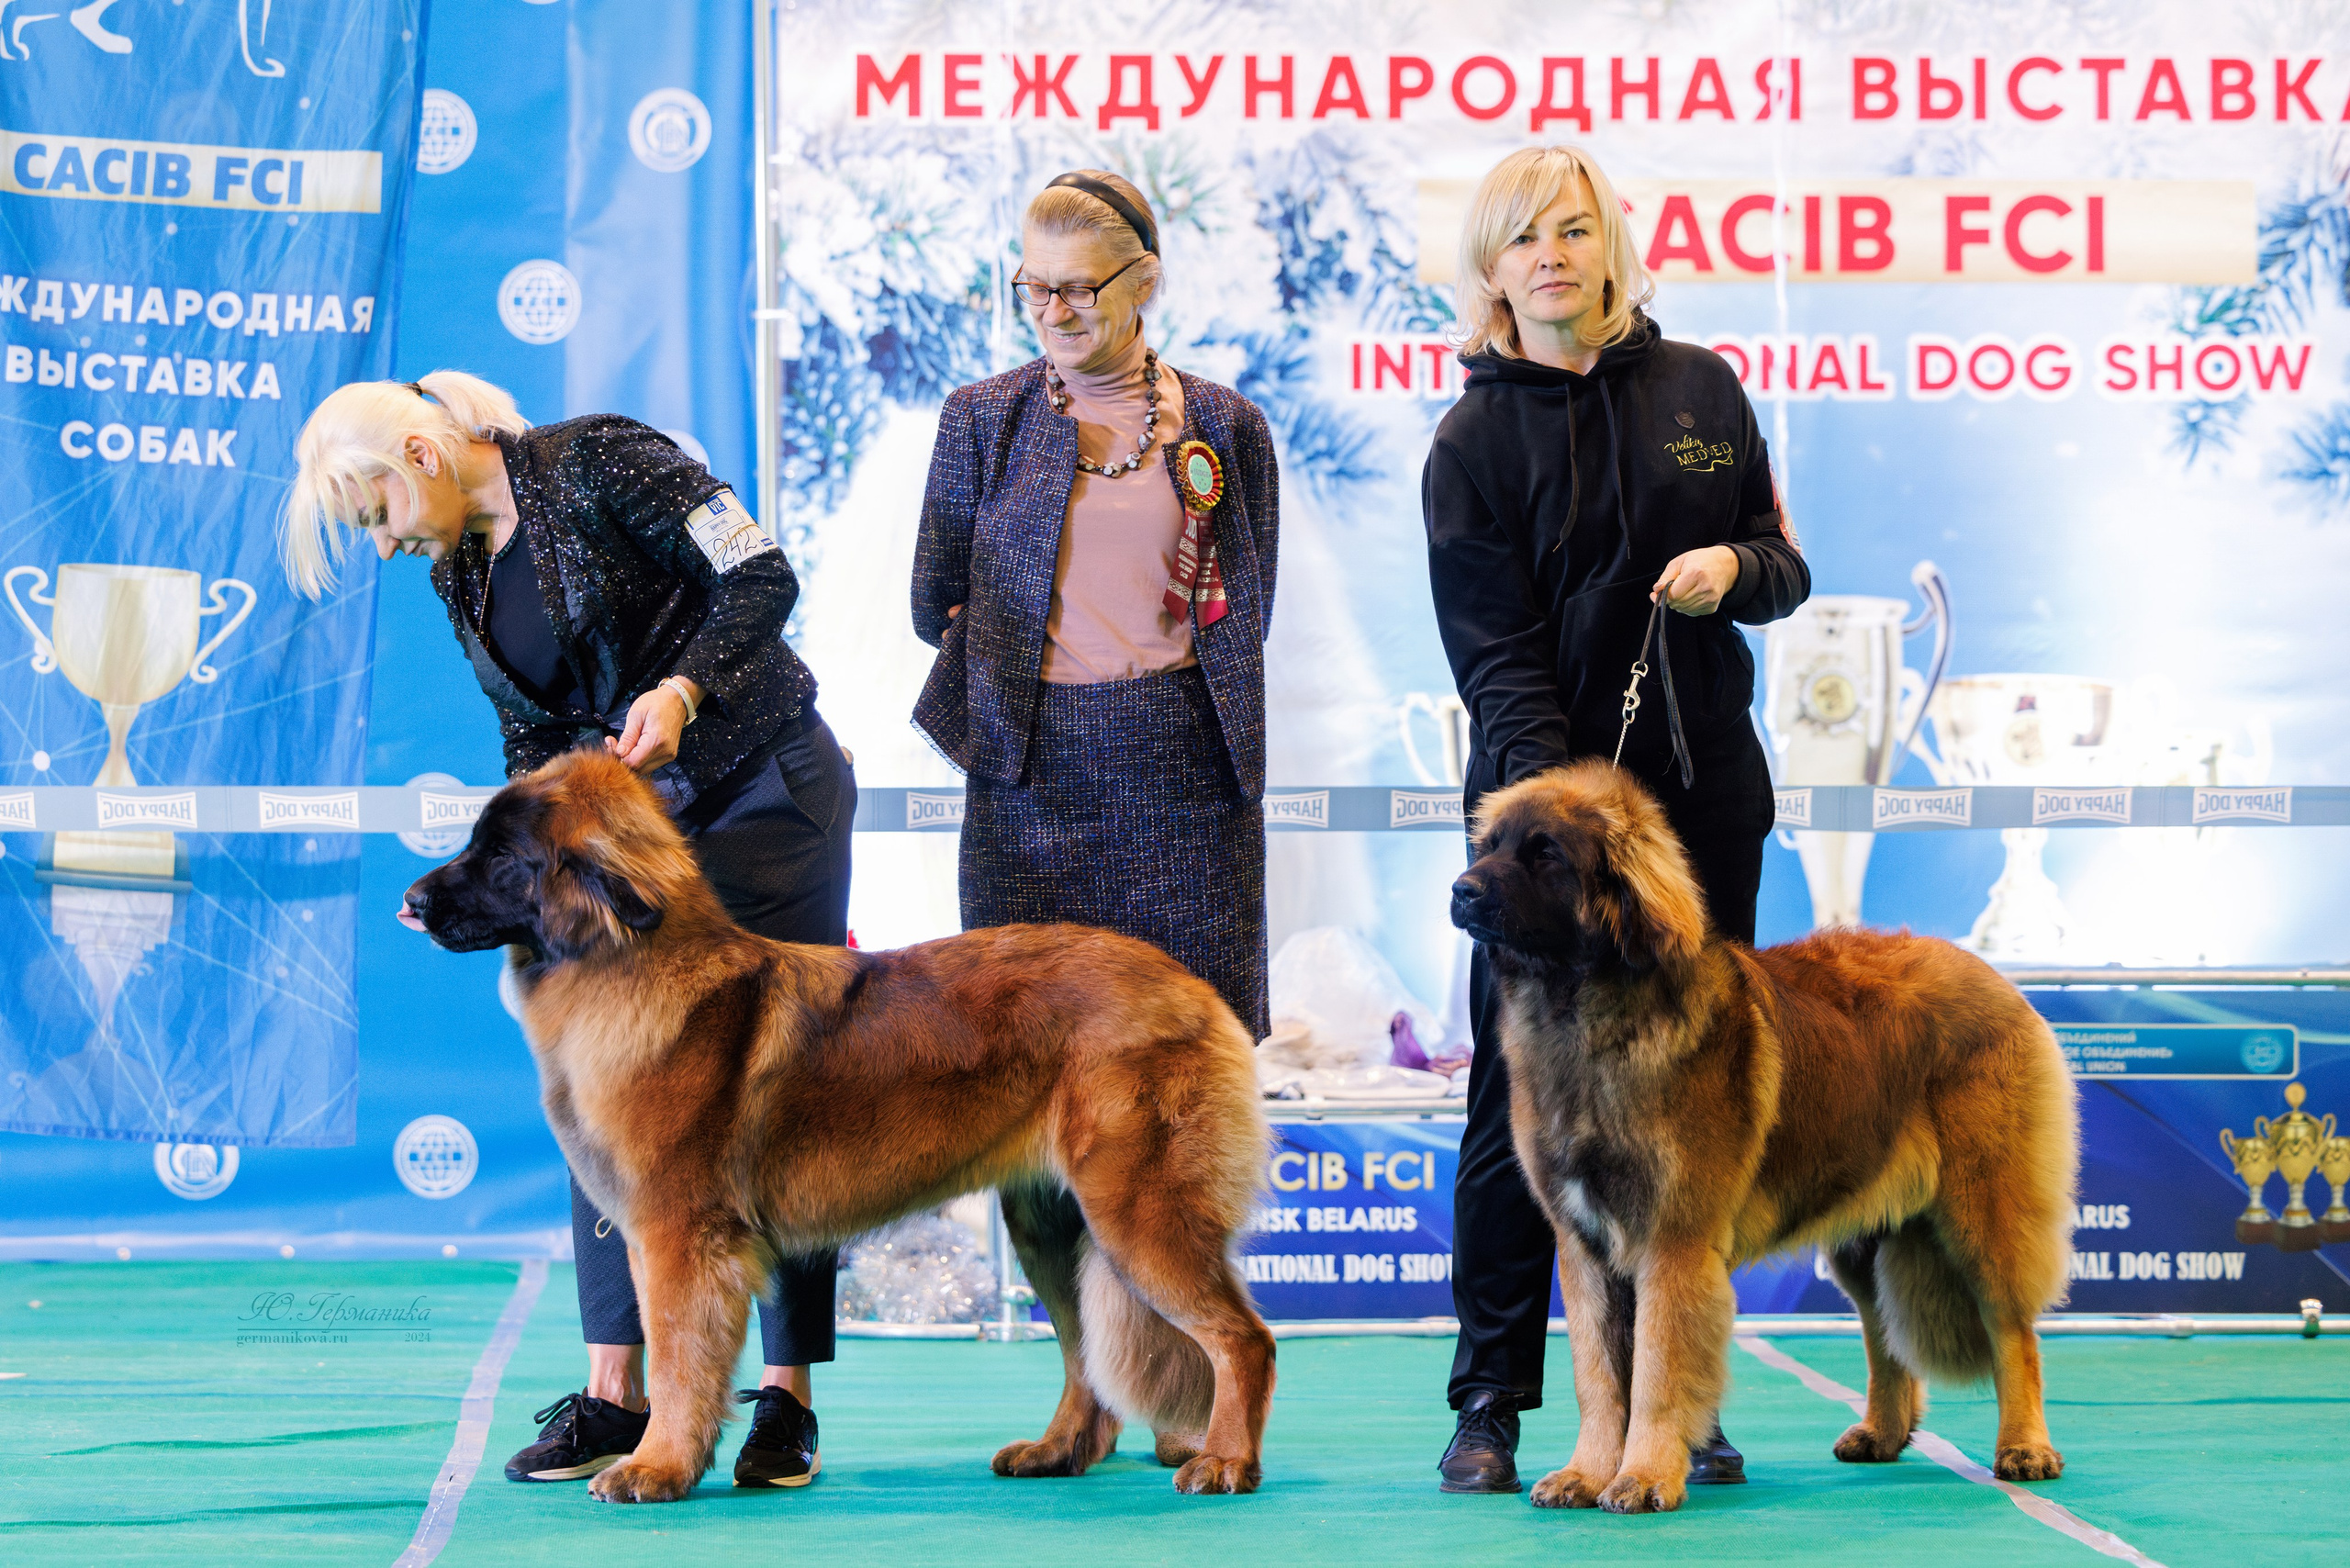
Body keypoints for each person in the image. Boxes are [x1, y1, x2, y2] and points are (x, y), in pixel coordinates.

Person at [281, 372, 852, 1490]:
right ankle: (613, 1395)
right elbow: (532, 738)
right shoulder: (459, 569)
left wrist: (684, 689)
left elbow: (759, 572)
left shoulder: (600, 459)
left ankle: (783, 1400)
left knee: (776, 1094)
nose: (385, 546)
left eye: (376, 515)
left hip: (760, 799)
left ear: (422, 456)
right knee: (606, 1094)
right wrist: (486, 878)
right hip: (630, 847)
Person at [1421, 145, 1812, 1495]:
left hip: (1711, 809)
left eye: (1573, 232)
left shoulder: (1701, 388)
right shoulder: (1470, 440)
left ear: (1607, 247)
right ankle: (1491, 1399)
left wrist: (1734, 570)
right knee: (1514, 1111)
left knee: (1699, 1120)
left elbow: (1786, 561)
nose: (1551, 257)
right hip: (1549, 837)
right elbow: (1495, 658)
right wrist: (1568, 818)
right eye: (1524, 239)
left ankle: (1682, 1406)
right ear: (1491, 270)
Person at [912, 169, 1279, 1044]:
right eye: (1033, 286)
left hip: (1184, 769)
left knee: (1187, 1060)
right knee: (1017, 1060)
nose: (1051, 310)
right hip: (1027, 780)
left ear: (1145, 281)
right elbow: (938, 599)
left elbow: (1245, 612)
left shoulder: (1227, 424)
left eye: (1077, 287)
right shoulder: (979, 419)